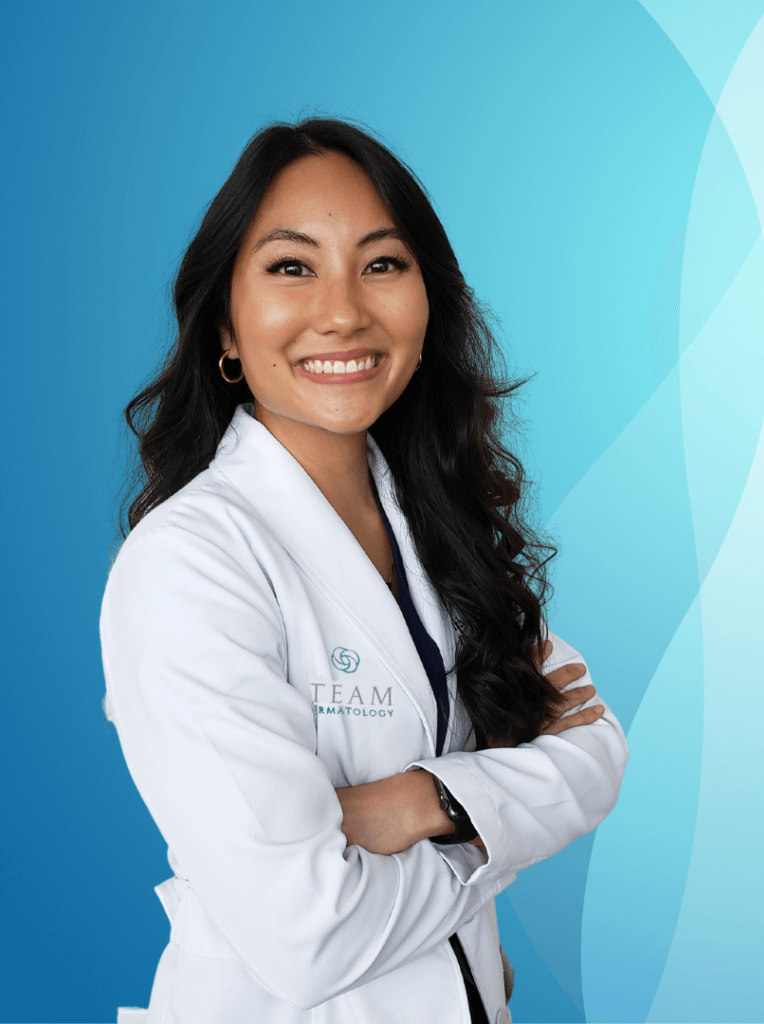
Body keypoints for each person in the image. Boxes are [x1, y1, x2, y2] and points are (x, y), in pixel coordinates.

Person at [100, 117, 628, 1024]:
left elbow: (594, 749)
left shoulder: (438, 525)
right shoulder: (188, 565)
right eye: (291, 267)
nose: (343, 311)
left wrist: (414, 803)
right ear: (225, 327)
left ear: (430, 305)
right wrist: (482, 810)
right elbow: (313, 937)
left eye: (382, 264)